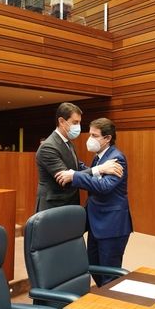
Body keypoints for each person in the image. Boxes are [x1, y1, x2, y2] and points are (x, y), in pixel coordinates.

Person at [55, 118, 132, 287]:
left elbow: (104, 186)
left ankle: (111, 307)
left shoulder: (116, 159)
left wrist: (74, 176)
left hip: (112, 226)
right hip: (97, 224)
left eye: (94, 135)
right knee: (94, 266)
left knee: (109, 274)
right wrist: (76, 166)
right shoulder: (99, 158)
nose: (90, 139)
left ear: (107, 138)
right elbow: (93, 174)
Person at [35, 102, 121, 212]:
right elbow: (66, 178)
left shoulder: (67, 142)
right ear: (61, 121)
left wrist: (101, 172)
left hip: (69, 204)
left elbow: (77, 167)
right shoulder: (48, 147)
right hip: (54, 206)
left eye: (79, 122)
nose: (78, 127)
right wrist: (99, 169)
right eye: (75, 122)